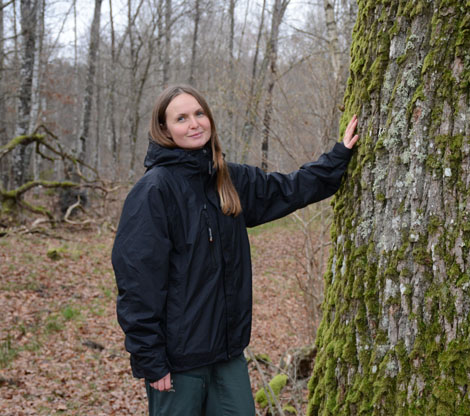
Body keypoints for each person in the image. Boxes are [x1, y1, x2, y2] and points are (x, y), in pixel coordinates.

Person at [111, 84, 359, 415]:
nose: (194, 123)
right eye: (181, 118)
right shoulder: (154, 191)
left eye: (199, 113)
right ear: (164, 129)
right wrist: (150, 359)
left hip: (228, 356)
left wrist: (339, 156)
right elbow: (137, 284)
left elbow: (288, 190)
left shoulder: (230, 180)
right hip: (178, 361)